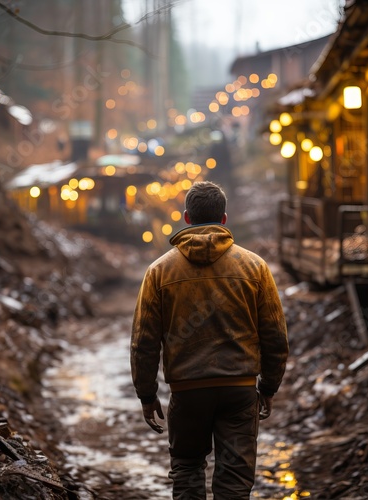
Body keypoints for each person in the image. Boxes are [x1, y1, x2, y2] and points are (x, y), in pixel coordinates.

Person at [130, 181, 288, 499]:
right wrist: (268, 387)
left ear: (187, 218)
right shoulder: (255, 268)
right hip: (240, 390)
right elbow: (274, 335)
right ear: (224, 219)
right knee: (234, 480)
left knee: (187, 469)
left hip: (187, 392)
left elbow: (144, 341)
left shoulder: (159, 272)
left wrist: (147, 395)